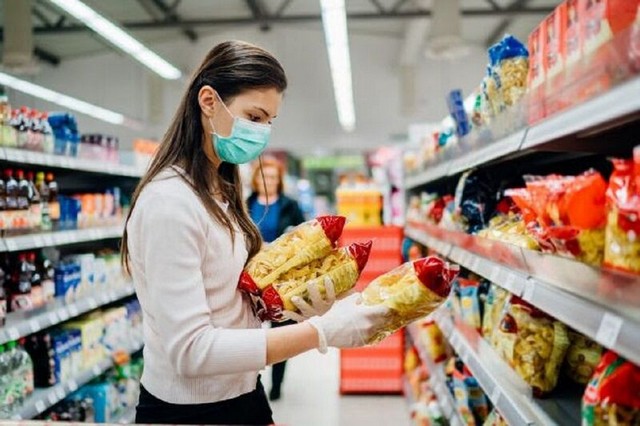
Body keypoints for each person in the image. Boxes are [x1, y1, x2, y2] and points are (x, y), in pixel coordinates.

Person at [121, 40, 389, 425]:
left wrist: (295, 300)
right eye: (254, 116)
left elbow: (228, 298)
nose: (262, 134)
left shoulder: (219, 189)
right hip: (189, 413)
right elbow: (192, 351)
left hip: (243, 395)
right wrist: (321, 332)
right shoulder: (169, 204)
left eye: (268, 122)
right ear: (209, 102)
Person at [247, 157, 305, 401]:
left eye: (272, 177)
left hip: (283, 279)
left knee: (281, 330)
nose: (267, 181)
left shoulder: (290, 206)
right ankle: (251, 381)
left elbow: (305, 236)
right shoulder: (245, 204)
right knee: (249, 330)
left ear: (279, 181)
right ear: (255, 179)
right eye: (263, 176)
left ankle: (277, 384)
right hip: (252, 277)